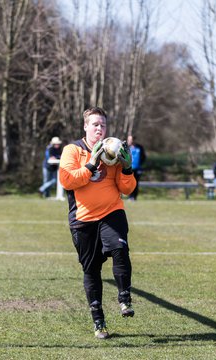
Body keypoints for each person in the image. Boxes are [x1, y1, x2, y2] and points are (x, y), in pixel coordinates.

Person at [59, 107, 136, 339]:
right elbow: (67, 181)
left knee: (120, 248)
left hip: (111, 212)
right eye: (95, 124)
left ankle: (124, 298)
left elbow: (127, 188)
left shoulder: (114, 150)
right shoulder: (72, 150)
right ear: (85, 127)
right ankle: (99, 322)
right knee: (91, 270)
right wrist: (91, 164)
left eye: (102, 125)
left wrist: (127, 167)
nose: (99, 129)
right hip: (82, 219)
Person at [127, 134, 146, 201]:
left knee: (136, 183)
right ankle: (130, 197)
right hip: (129, 168)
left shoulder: (139, 147)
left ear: (134, 140)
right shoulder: (126, 147)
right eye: (128, 139)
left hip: (137, 168)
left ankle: (134, 197)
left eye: (131, 139)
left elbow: (143, 157)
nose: (130, 141)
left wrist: (140, 164)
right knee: (129, 183)